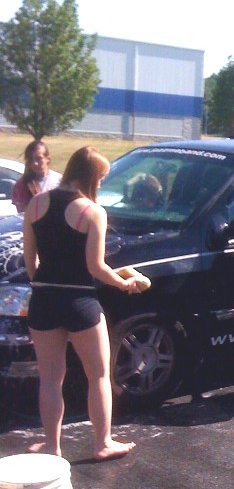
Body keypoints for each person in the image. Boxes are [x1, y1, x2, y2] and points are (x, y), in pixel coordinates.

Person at [23, 146, 140, 460]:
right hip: (80, 301)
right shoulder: (92, 211)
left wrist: (42, 284)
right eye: (100, 179)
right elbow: (96, 267)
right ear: (91, 177)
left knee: (50, 378)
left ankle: (52, 445)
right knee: (98, 375)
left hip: (44, 300)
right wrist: (124, 283)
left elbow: (29, 259)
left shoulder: (35, 204)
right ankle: (102, 443)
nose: (100, 185)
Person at [12, 140, 62, 212]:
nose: (34, 163)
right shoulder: (22, 185)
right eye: (30, 159)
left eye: (39, 158)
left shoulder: (59, 181)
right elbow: (22, 215)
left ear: (48, 159)